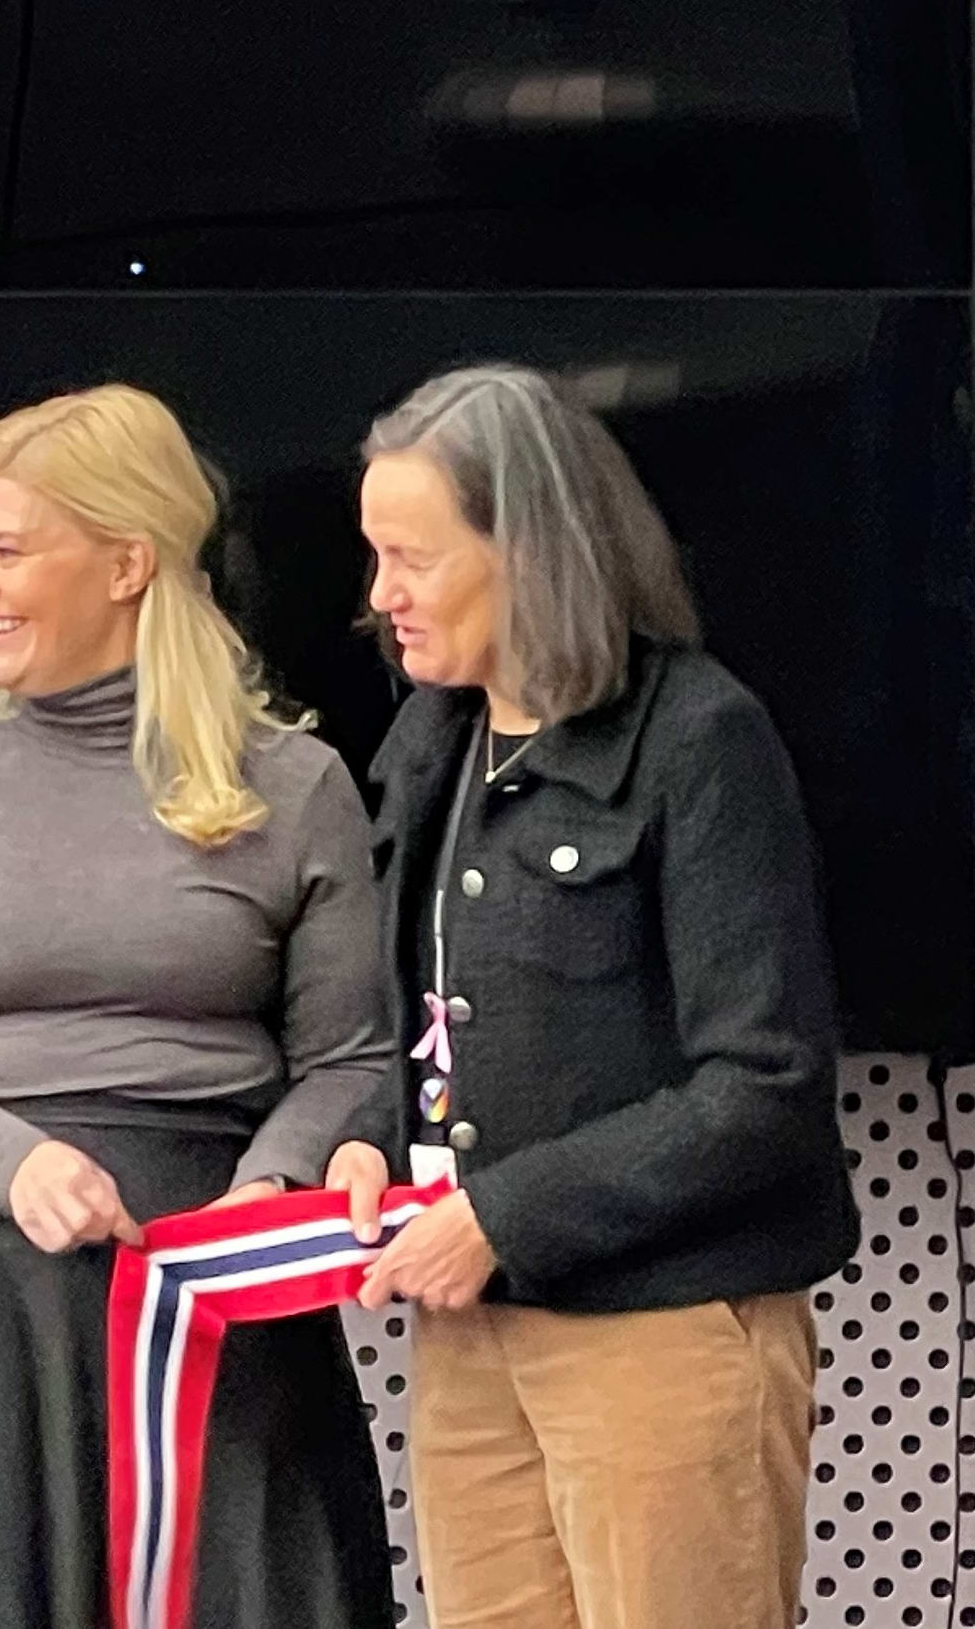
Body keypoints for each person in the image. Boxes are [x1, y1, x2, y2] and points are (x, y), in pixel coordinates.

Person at [0, 383, 397, 1629]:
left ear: (128, 563)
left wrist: (269, 1191)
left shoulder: (298, 781)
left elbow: (353, 1057)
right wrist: (15, 1166)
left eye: (7, 550)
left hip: (212, 1255)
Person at [352, 365, 853, 1629]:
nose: (379, 596)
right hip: (472, 1339)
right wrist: (367, 1136)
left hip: (659, 1329)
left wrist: (503, 1215)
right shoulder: (431, 741)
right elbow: (420, 1013)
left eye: (412, 558)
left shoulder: (699, 737)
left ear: (527, 550)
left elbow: (767, 1086)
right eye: (375, 555)